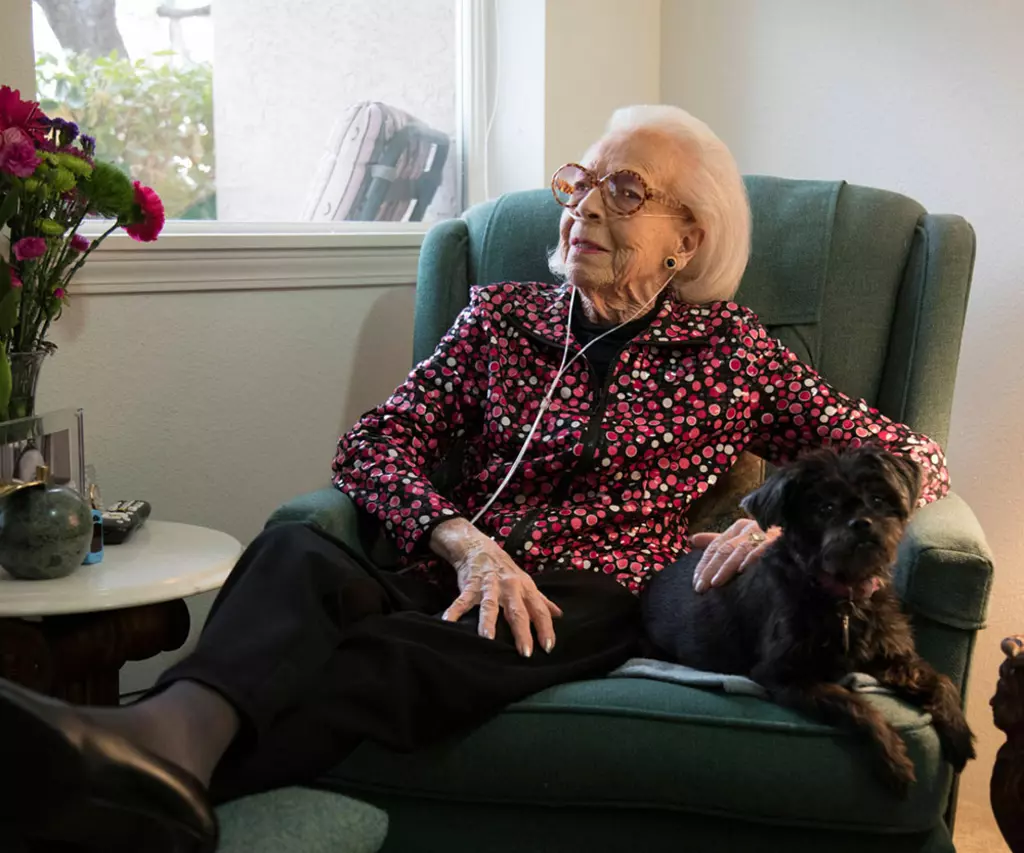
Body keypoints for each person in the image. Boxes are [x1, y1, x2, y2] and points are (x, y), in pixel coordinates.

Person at [0, 105, 950, 852]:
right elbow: (373, 444)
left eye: (626, 191)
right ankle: (155, 753)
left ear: (687, 241)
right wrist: (459, 538)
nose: (585, 206)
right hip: (445, 559)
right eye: (581, 181)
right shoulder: (501, 317)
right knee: (294, 552)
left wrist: (782, 521)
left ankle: (131, 765)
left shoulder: (733, 354)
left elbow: (910, 457)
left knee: (389, 657)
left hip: (584, 593)